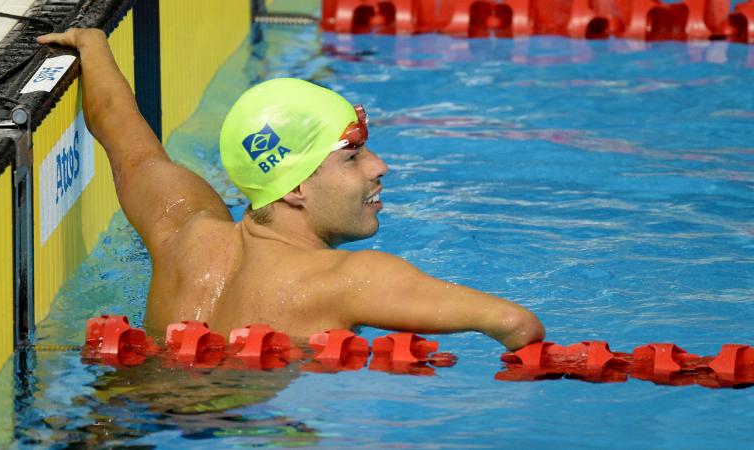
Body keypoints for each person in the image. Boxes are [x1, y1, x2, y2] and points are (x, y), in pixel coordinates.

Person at [37, 28, 545, 351]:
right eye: (353, 156)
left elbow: (126, 137)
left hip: (129, 406)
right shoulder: (346, 280)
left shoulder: (183, 231)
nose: (379, 167)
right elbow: (517, 324)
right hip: (234, 428)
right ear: (297, 187)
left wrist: (91, 45)